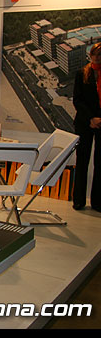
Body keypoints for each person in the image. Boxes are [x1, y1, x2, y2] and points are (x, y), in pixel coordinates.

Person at [72, 41, 101, 211]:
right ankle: (79, 200)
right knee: (82, 161)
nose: (97, 57)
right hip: (84, 122)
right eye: (94, 54)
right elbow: (78, 100)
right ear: (90, 56)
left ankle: (97, 202)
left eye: (100, 54)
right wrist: (91, 118)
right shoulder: (81, 73)